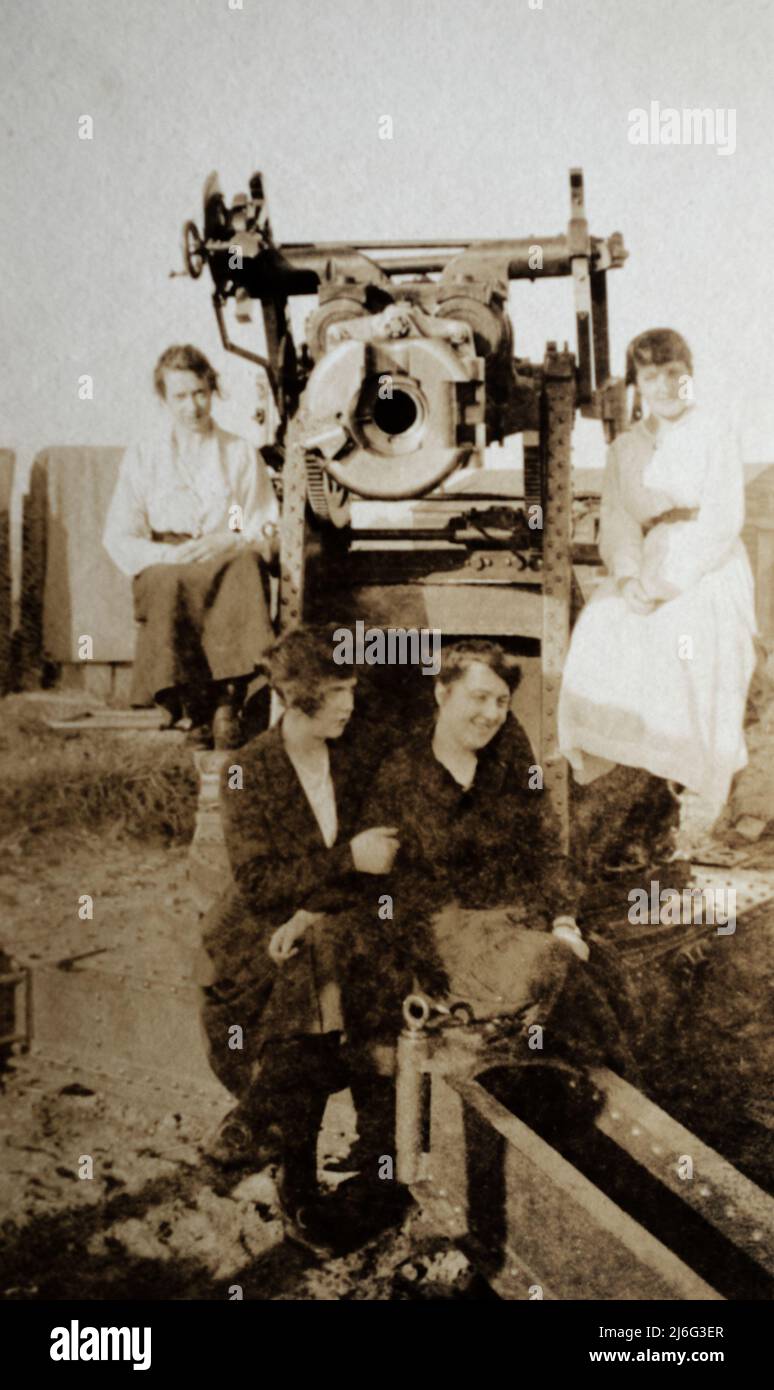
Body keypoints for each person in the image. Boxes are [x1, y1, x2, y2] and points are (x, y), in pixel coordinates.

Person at [341, 641, 636, 1078]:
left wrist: (564, 920)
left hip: (513, 928)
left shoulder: (509, 757)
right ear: (442, 694)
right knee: (553, 965)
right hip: (445, 949)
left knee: (604, 966)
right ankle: (621, 1092)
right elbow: (383, 894)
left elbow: (545, 844)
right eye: (478, 698)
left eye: (501, 701)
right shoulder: (400, 774)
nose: (491, 714)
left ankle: (591, 1097)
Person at [198, 625, 403, 1251]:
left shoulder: (362, 752)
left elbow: (389, 855)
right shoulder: (245, 771)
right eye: (337, 691)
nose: (349, 703)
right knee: (321, 969)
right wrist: (341, 867)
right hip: (259, 940)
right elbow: (259, 883)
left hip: (326, 931)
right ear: (297, 698)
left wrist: (313, 911)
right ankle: (311, 1175)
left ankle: (270, 1129)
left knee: (334, 955)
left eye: (352, 688)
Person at [558, 328, 757, 849]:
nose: (667, 385)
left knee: (686, 640)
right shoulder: (626, 447)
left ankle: (687, 784)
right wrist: (628, 579)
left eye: (675, 373)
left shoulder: (715, 430)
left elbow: (722, 519)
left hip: (705, 564)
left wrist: (666, 582)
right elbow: (619, 520)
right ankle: (628, 809)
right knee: (600, 632)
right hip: (645, 562)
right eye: (652, 376)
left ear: (689, 373)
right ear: (637, 385)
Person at [103, 344, 279, 747]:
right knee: (166, 581)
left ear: (212, 390)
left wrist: (229, 540)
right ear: (164, 399)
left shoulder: (239, 452)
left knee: (245, 569)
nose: (192, 406)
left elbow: (263, 521)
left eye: (199, 392)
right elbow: (120, 535)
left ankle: (228, 704)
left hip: (224, 553)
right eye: (180, 396)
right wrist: (166, 554)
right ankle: (193, 710)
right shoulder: (144, 455)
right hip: (168, 556)